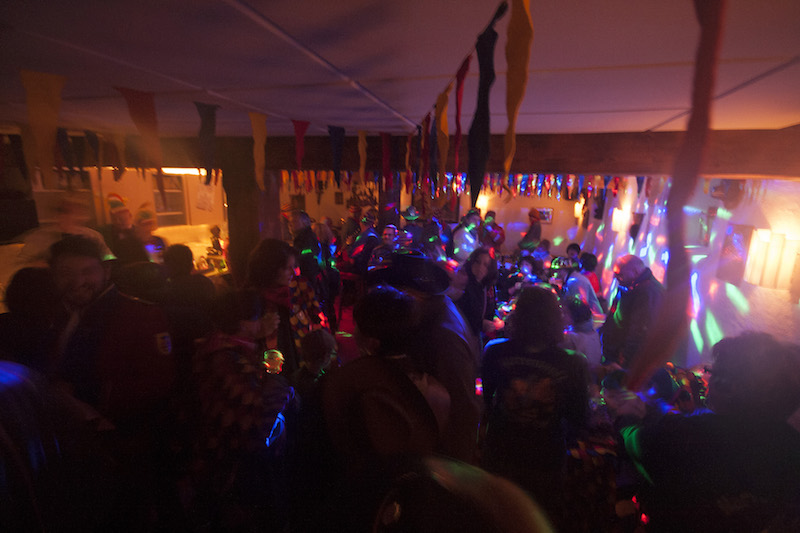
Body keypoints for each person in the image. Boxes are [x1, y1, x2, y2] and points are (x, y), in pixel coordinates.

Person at [610, 333, 800, 532]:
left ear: (728, 387)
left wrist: (627, 417)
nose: (708, 380)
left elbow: (633, 443)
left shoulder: (691, 435)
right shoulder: (792, 446)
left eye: (713, 373)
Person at [481, 286, 590, 530]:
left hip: (500, 452)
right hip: (545, 458)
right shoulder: (573, 363)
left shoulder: (494, 351)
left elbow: (488, 401)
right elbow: (580, 418)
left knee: (495, 520)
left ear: (518, 316)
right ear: (555, 319)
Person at [190, 288, 295, 531]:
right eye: (259, 317)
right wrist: (284, 389)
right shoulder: (226, 360)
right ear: (242, 324)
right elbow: (256, 423)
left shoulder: (223, 343)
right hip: (233, 465)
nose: (266, 320)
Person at [366, 251, 481, 463]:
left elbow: (463, 408)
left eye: (390, 292)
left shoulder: (442, 336)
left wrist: (452, 467)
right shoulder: (432, 313)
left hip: (439, 458)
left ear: (408, 293)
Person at [246, 238, 328, 377]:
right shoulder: (252, 300)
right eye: (287, 268)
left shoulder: (298, 287)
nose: (293, 272)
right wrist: (258, 332)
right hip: (272, 373)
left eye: (293, 266)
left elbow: (316, 317)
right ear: (271, 269)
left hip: (301, 358)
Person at [600, 255, 665, 368]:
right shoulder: (629, 285)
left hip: (625, 360)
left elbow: (640, 330)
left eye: (619, 274)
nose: (615, 277)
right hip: (614, 353)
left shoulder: (649, 291)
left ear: (635, 272)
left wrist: (626, 358)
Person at [17, 197, 112, 266]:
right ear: (56, 214)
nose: (72, 215)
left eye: (78, 210)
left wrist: (103, 262)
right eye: (65, 211)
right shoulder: (40, 237)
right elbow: (22, 265)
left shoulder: (93, 236)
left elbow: (109, 257)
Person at [454, 248, 502, 341]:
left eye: (486, 265)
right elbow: (460, 313)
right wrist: (480, 324)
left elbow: (490, 308)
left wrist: (494, 318)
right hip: (463, 336)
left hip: (479, 337)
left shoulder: (488, 286)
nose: (480, 267)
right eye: (477, 262)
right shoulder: (463, 284)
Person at [550, 256, 605, 325]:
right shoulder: (571, 279)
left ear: (564, 270)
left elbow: (579, 307)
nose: (554, 273)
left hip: (591, 321)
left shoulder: (575, 282)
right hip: (585, 320)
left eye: (556, 270)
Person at [101, 194, 149, 264]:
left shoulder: (139, 232)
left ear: (130, 216)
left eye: (121, 219)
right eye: (114, 219)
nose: (118, 222)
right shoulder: (106, 233)